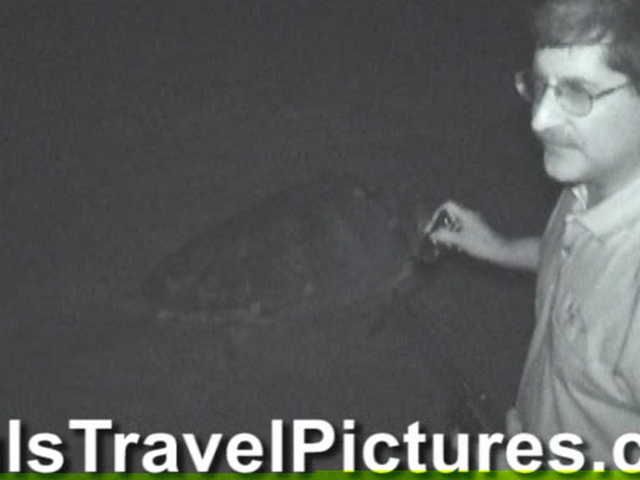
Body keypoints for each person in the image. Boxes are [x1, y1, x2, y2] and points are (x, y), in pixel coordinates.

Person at [428, 0, 640, 468]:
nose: (539, 120)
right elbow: (574, 267)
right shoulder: (587, 183)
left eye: (577, 93)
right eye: (540, 85)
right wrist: (500, 249)